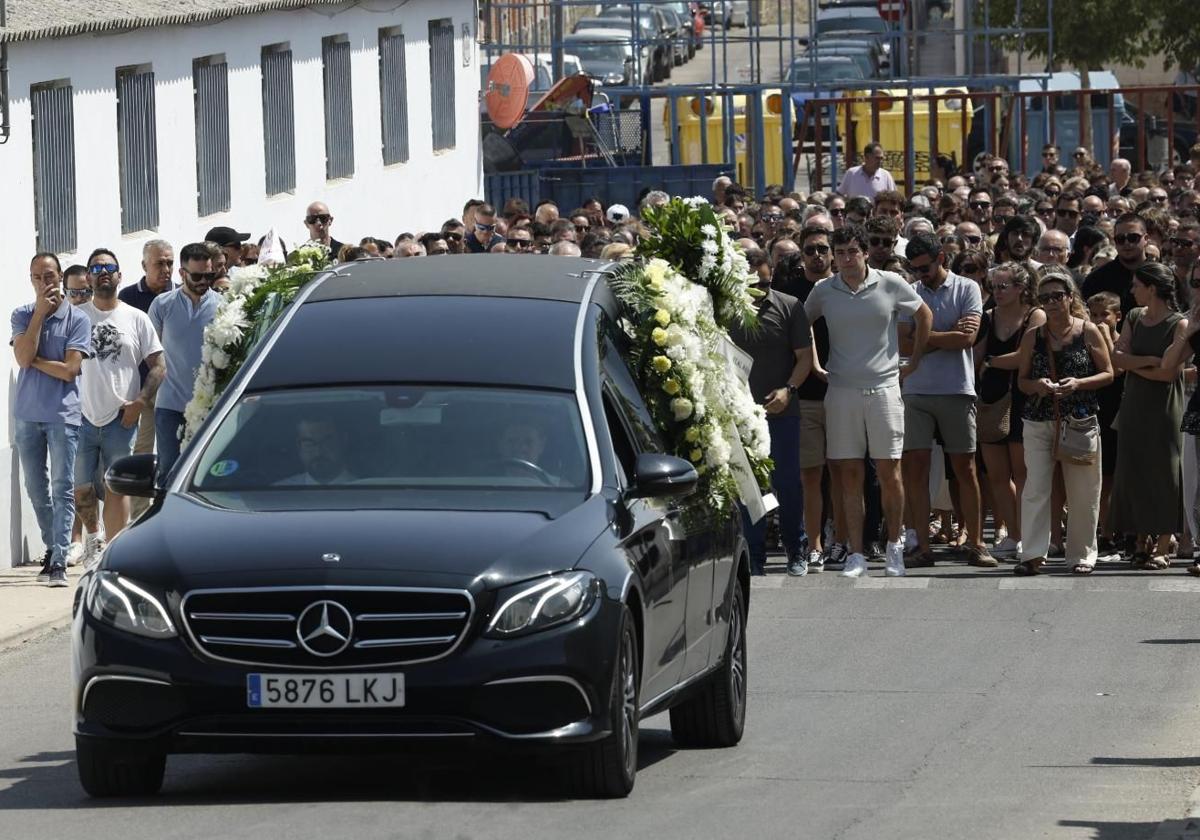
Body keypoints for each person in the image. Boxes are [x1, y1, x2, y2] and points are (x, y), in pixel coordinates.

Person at [804, 224, 932, 578]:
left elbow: (924, 315)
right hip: (841, 390)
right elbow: (803, 326)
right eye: (839, 252)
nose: (845, 258)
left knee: (890, 472)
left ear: (864, 253)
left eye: (851, 252)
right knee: (848, 474)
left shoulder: (890, 282)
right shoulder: (822, 290)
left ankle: (894, 547)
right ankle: (856, 553)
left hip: (885, 389)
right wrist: (814, 364)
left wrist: (915, 360)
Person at [899, 233, 994, 568]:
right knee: (915, 469)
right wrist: (944, 336)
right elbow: (903, 347)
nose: (920, 274)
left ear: (941, 257)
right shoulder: (910, 292)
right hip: (917, 391)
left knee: (965, 468)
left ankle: (977, 542)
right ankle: (921, 547)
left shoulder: (968, 288)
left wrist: (922, 336)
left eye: (924, 267)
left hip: (957, 389)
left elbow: (967, 338)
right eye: (915, 269)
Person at [1014, 272, 1113, 575]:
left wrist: (1079, 383)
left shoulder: (1089, 331)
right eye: (1045, 298)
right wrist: (1039, 384)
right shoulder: (1034, 335)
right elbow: (1021, 381)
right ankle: (1032, 554)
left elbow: (1108, 373)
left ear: (1071, 297)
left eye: (1058, 295)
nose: (1052, 302)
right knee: (1035, 488)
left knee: (1084, 490)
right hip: (1039, 420)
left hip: (1080, 421)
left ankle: (1082, 555)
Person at [75, 249, 164, 561]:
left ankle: (112, 552)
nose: (103, 272)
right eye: (96, 267)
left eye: (109, 267)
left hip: (120, 418)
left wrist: (140, 402)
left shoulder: (136, 318)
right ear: (88, 276)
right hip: (81, 417)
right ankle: (91, 539)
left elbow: (159, 365)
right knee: (81, 487)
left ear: (119, 275)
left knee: (116, 487)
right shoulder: (76, 317)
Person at [730, 247, 814, 576]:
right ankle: (754, 552)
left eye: (764, 284)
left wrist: (788, 390)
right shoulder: (725, 309)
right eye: (752, 285)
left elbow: (804, 358)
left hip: (781, 413)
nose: (759, 290)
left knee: (788, 484)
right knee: (749, 487)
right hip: (740, 416)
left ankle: (797, 548)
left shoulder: (790, 307)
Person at [12, 253, 92, 587]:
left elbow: (70, 370)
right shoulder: (22, 315)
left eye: (49, 276)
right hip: (28, 415)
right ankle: (53, 546)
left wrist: (37, 361)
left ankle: (59, 561)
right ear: (31, 280)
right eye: (37, 277)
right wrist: (40, 316)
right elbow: (22, 357)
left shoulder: (78, 319)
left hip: (63, 415)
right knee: (35, 488)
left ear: (59, 276)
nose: (45, 282)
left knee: (62, 488)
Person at [1109, 261, 1187, 568]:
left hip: (1165, 408)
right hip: (1134, 406)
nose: (1132, 290)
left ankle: (1164, 543)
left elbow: (1169, 374)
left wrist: (1135, 363)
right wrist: (1151, 360)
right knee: (1135, 470)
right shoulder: (1133, 316)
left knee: (1166, 475)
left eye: (1136, 285)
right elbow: (1117, 358)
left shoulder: (1179, 324)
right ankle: (1141, 541)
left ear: (1151, 288)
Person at [976, 262, 1045, 559]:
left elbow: (1023, 358)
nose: (997, 292)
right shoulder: (987, 317)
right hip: (992, 400)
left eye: (1003, 286)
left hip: (1023, 398)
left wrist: (991, 362)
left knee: (1023, 473)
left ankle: (1028, 536)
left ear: (1021, 288)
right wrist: (987, 362)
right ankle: (1013, 534)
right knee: (997, 476)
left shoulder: (1035, 315)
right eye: (994, 286)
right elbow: (975, 356)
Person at [149, 242, 221, 483]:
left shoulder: (224, 306)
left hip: (212, 406)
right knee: (169, 475)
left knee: (208, 474)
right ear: (182, 273)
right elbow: (152, 354)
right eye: (197, 275)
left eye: (209, 275)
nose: (204, 281)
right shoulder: (162, 305)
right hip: (170, 405)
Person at [1082, 213, 1148, 318]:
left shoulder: (1161, 275)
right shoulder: (1097, 279)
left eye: (1133, 238)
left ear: (1146, 239)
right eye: (1120, 239)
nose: (1126, 243)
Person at [278, 416, 356, 485]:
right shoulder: (276, 495)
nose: (318, 452)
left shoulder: (366, 491)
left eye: (327, 443)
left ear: (343, 440)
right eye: (309, 443)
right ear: (299, 446)